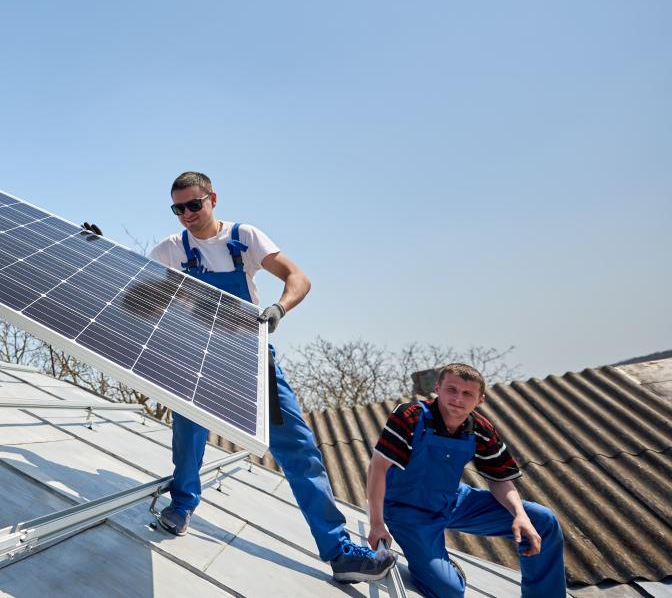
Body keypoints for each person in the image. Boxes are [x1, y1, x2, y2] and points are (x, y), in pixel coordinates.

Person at [148, 171, 395, 583]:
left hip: (250, 356)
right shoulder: (172, 250)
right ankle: (182, 505)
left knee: (298, 450)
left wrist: (280, 308)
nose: (187, 215)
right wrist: (95, 249)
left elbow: (299, 278)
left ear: (213, 199)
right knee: (188, 432)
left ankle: (339, 551)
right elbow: (134, 290)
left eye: (194, 205)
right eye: (178, 209)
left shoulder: (244, 237)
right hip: (200, 357)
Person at [366, 363, 566, 597]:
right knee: (449, 591)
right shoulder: (410, 416)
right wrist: (377, 524)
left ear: (479, 400)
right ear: (438, 389)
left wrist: (520, 516)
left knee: (542, 521)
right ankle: (445, 571)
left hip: (453, 501)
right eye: (451, 390)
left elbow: (500, 479)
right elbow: (377, 468)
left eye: (467, 394)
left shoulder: (480, 428)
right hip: (408, 510)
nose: (458, 398)